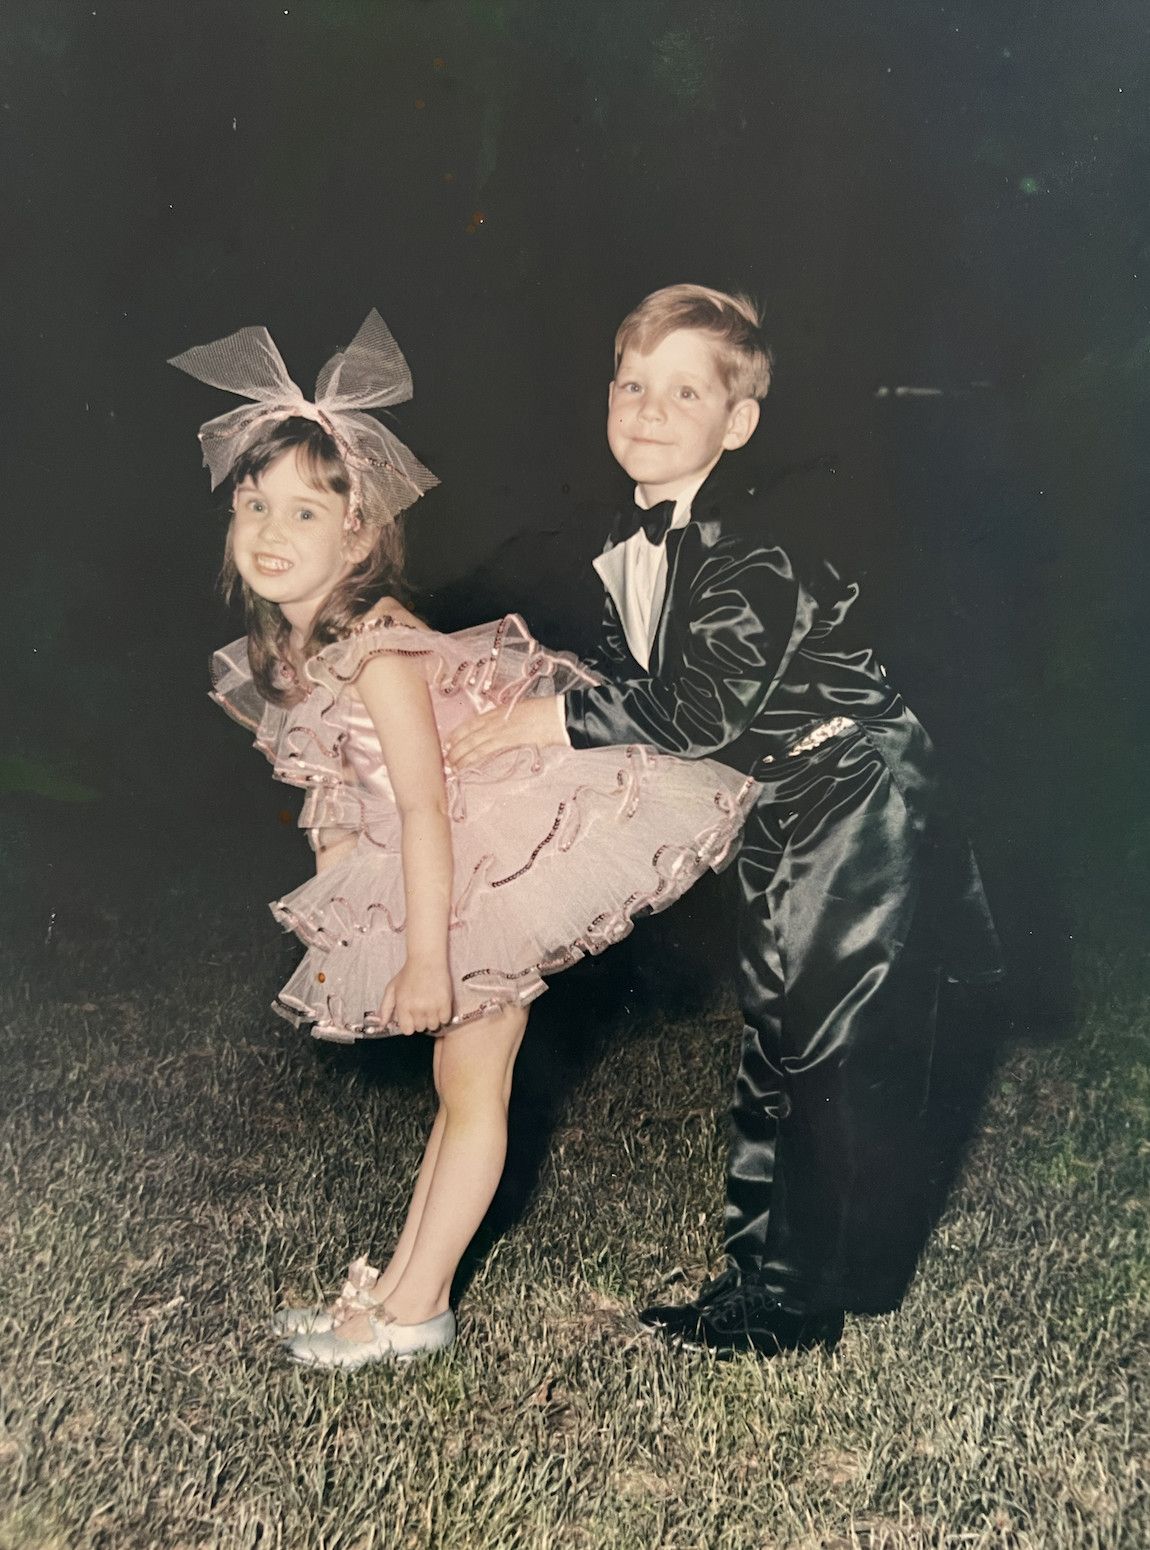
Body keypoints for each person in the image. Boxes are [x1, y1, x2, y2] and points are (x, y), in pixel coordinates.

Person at [169, 311, 757, 1369]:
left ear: (356, 533)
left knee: (475, 1087)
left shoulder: (377, 647)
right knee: (458, 1087)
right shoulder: (299, 651)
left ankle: (416, 1307)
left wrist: (430, 954)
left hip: (490, 852)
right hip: (437, 863)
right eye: (254, 504)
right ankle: (397, 1285)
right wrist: (356, 898)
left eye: (305, 508)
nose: (269, 528)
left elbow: (426, 804)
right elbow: (343, 795)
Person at [448, 284, 1004, 1357]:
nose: (648, 409)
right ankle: (763, 1276)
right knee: (777, 1033)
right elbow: (602, 656)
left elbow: (698, 710)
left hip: (853, 791)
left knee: (824, 1041)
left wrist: (542, 721)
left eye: (684, 390)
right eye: (631, 383)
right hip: (783, 802)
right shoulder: (641, 535)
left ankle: (798, 1299)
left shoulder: (748, 547)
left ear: (736, 422)